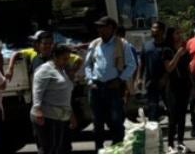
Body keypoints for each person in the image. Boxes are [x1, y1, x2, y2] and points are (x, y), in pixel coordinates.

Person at [84, 16, 137, 151]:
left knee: (116, 122)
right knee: (97, 123)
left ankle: (117, 149)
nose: (100, 30)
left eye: (103, 27)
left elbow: (132, 65)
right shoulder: (95, 44)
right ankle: (99, 149)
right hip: (96, 87)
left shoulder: (122, 44)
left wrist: (120, 80)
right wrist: (90, 80)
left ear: (111, 28)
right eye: (99, 27)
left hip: (113, 88)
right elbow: (88, 65)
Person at [31, 44, 77, 154]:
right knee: (48, 149)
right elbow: (37, 91)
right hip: (46, 117)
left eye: (68, 58)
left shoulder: (61, 70)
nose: (67, 62)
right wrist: (38, 111)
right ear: (55, 57)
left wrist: (71, 115)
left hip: (59, 117)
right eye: (64, 59)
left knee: (57, 148)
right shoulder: (45, 70)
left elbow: (65, 95)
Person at [162, 26, 192, 154]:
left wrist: (193, 86)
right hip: (172, 86)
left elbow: (188, 69)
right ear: (170, 35)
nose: (179, 36)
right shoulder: (167, 50)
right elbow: (169, 68)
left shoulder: (185, 50)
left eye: (180, 33)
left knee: (182, 116)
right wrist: (178, 54)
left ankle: (180, 142)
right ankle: (170, 144)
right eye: (176, 33)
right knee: (173, 116)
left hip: (184, 85)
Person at [139, 21, 168, 122]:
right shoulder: (146, 46)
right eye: (152, 28)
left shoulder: (168, 46)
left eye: (155, 28)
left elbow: (172, 65)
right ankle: (153, 130)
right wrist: (139, 78)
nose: (152, 30)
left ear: (162, 31)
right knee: (152, 108)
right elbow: (142, 63)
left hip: (166, 83)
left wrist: (165, 78)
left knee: (170, 107)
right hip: (151, 82)